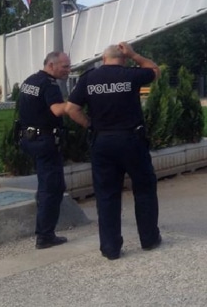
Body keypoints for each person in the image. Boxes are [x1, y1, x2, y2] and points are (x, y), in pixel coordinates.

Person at [66, 42, 161, 260]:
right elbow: (155, 71)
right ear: (124, 58)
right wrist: (135, 54)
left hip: (103, 141)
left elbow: (72, 109)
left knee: (107, 195)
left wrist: (91, 125)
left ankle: (110, 248)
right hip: (131, 140)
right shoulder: (130, 74)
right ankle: (148, 239)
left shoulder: (89, 78)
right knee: (144, 189)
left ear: (103, 58)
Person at [17, 50, 72, 250]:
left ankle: (44, 227)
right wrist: (75, 104)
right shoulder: (50, 85)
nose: (68, 70)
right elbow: (57, 110)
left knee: (45, 186)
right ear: (51, 65)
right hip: (45, 142)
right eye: (65, 66)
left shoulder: (30, 81)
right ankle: (45, 236)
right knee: (53, 188)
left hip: (29, 139)